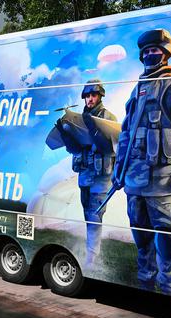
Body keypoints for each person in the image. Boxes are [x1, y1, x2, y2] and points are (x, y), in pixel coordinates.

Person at [113, 29, 171, 294]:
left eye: (157, 50)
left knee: (164, 234)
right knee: (140, 233)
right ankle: (146, 279)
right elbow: (126, 133)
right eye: (147, 51)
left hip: (162, 180)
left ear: (166, 54)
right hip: (134, 181)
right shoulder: (138, 88)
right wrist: (119, 170)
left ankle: (170, 285)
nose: (151, 54)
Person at [55, 79, 117, 268]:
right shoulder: (79, 118)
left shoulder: (108, 118)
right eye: (87, 96)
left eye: (94, 95)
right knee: (87, 214)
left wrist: (93, 128)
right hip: (85, 175)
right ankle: (91, 252)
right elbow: (74, 149)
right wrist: (64, 133)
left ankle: (92, 257)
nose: (90, 99)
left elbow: (111, 147)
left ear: (100, 96)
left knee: (95, 215)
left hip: (101, 177)